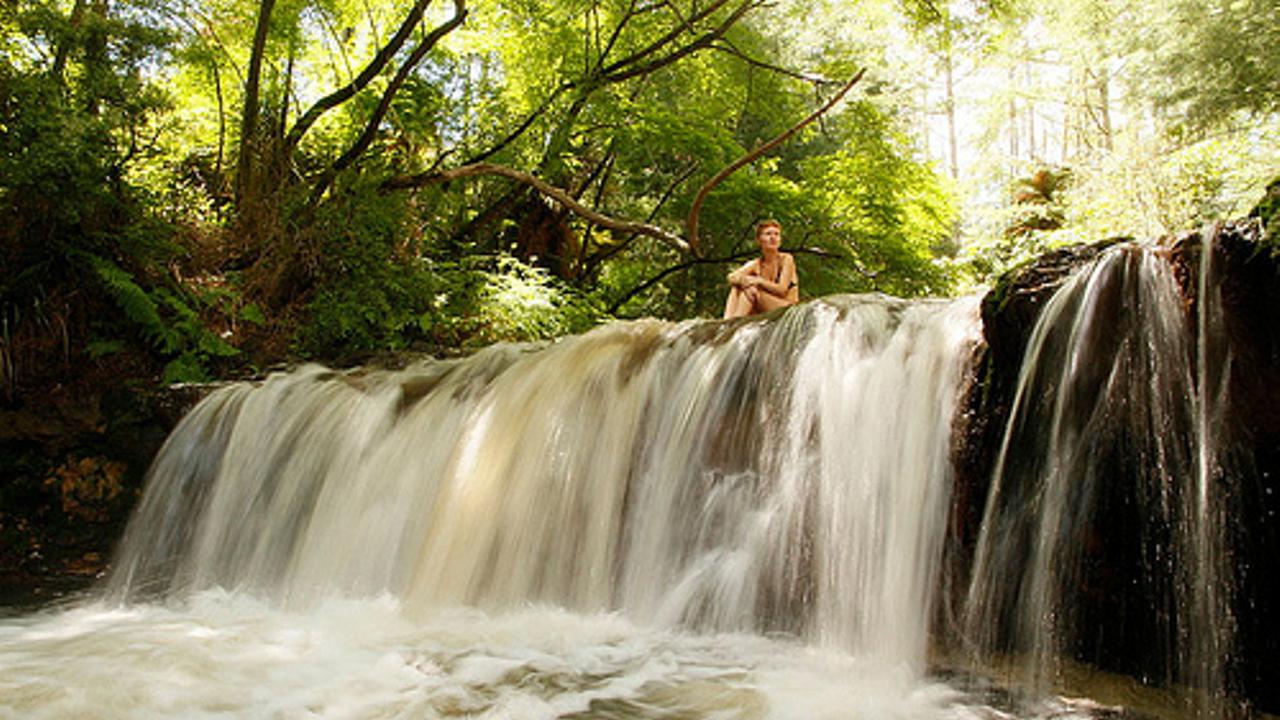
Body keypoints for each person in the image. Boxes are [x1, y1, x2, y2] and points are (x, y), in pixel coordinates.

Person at [722, 219, 799, 319]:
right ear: (759, 240)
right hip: (765, 306)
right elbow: (731, 277)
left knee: (752, 290)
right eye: (768, 234)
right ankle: (727, 321)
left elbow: (782, 290)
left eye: (776, 234)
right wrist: (742, 281)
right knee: (737, 286)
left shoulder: (786, 259)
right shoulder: (756, 263)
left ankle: (734, 323)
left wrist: (758, 281)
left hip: (787, 308)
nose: (773, 238)